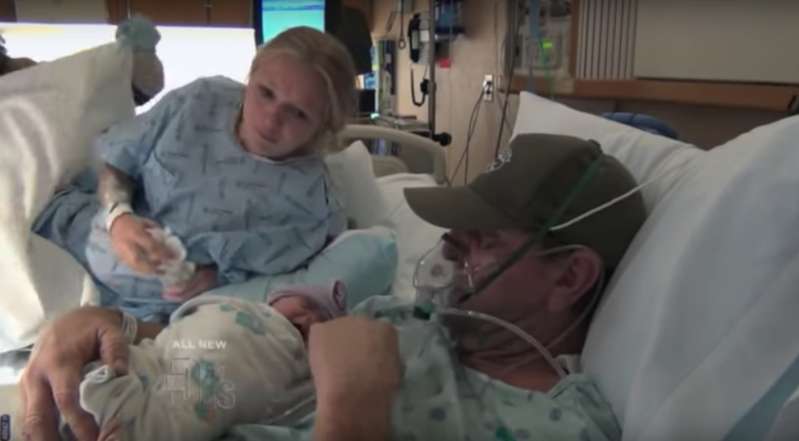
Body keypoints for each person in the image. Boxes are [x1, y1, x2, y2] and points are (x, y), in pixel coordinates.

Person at [20, 133, 647, 441]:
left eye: (483, 238)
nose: (450, 247)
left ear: (570, 276)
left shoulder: (560, 426)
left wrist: (353, 406)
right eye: (457, 228)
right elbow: (244, 356)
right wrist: (121, 331)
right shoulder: (406, 317)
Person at [34, 26, 356, 322]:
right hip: (72, 241)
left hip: (149, 314)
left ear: (323, 128)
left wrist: (214, 280)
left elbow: (275, 285)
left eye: (298, 113)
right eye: (266, 93)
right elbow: (118, 160)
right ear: (251, 77)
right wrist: (119, 217)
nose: (271, 119)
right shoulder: (200, 102)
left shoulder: (310, 207)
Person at [12, 282, 346, 441]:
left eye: (324, 321)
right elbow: (172, 334)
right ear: (273, 301)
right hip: (143, 361)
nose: (312, 318)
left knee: (180, 409)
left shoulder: (308, 377)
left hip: (192, 400)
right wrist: (103, 320)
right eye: (307, 304)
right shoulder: (234, 309)